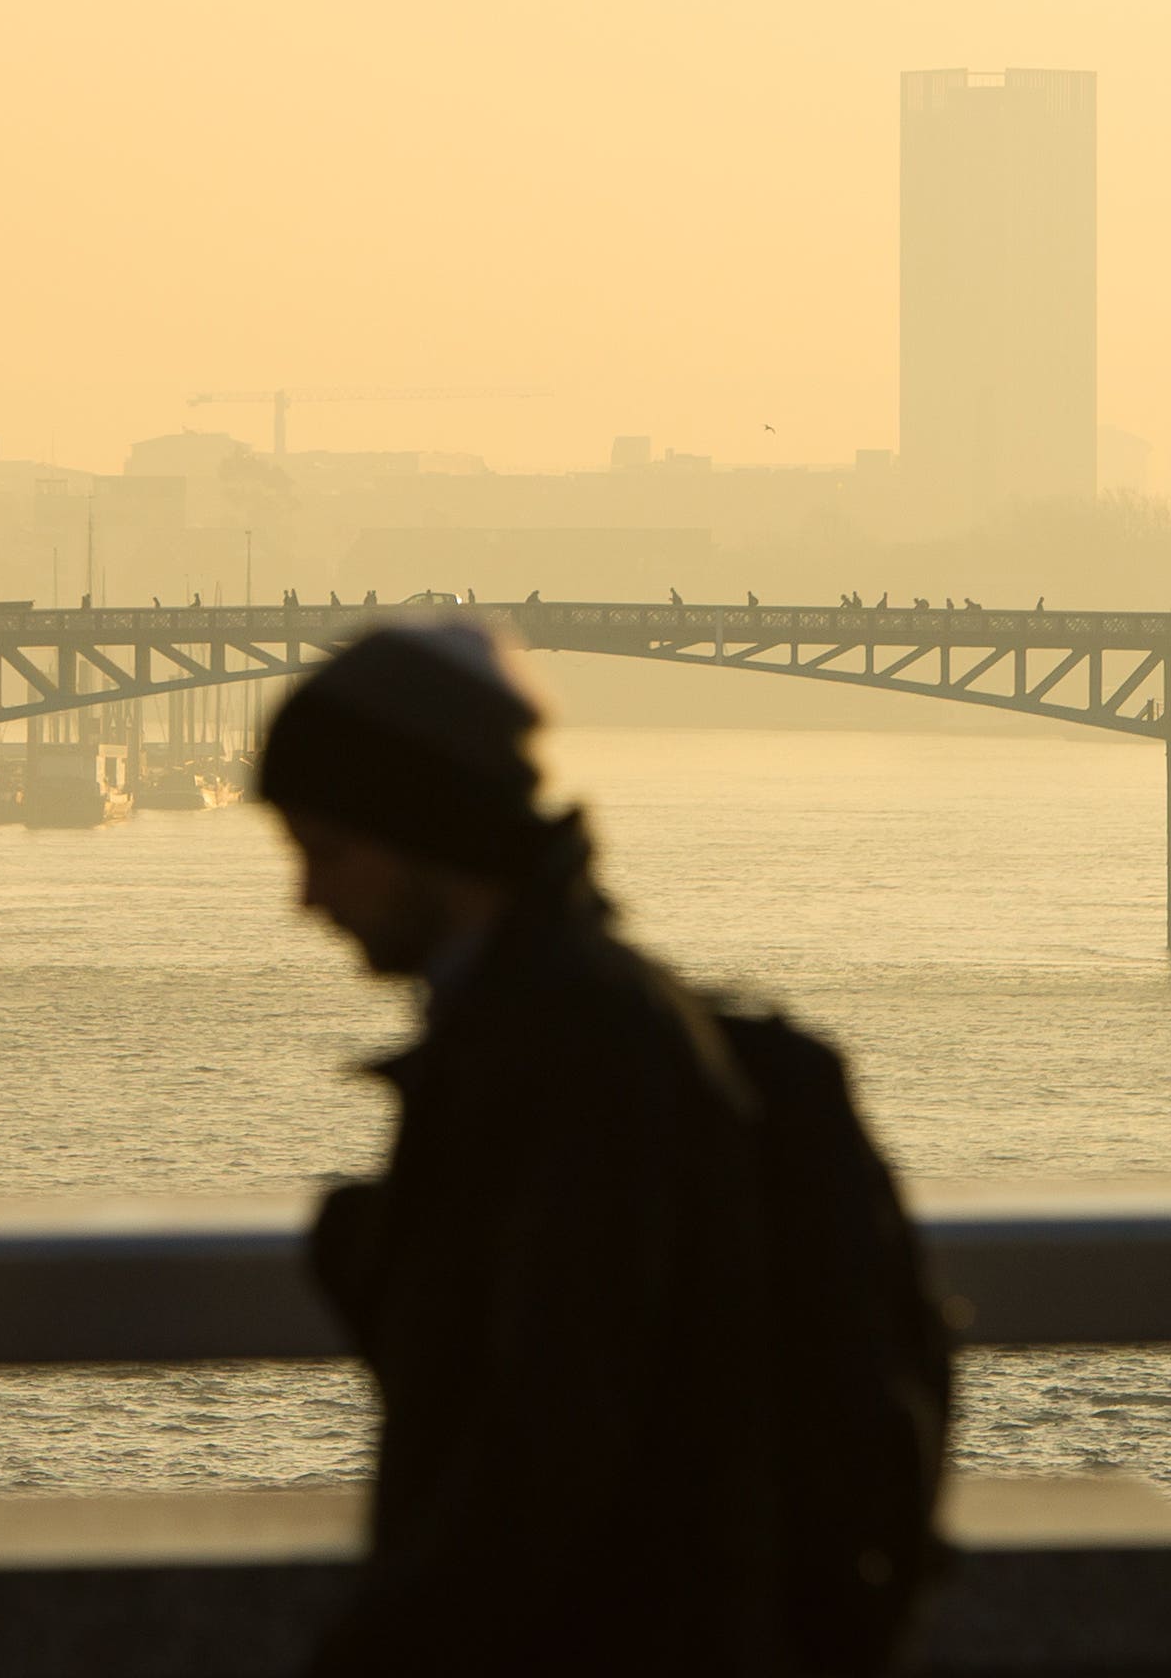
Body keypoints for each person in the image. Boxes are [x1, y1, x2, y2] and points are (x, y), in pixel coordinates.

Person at [263, 622, 791, 1677]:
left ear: (426, 836)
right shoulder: (569, 1023)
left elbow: (551, 1449)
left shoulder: (565, 1059)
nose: (305, 899)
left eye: (326, 852)